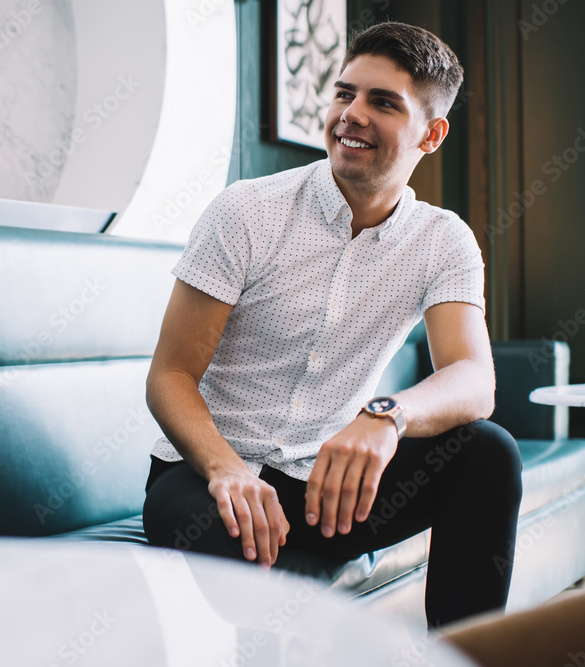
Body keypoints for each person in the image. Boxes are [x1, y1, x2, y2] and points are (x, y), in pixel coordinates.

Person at [142, 21, 523, 629]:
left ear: (432, 134)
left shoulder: (443, 240)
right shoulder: (245, 211)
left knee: (488, 454)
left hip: (332, 485)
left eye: (383, 102)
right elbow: (169, 376)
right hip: (204, 473)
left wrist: (387, 417)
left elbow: (475, 380)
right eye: (345, 93)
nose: (352, 114)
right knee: (243, 560)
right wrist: (227, 470)